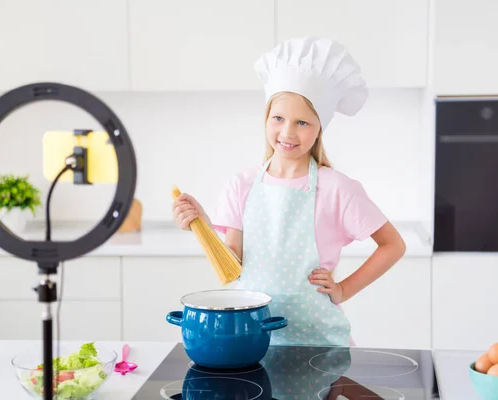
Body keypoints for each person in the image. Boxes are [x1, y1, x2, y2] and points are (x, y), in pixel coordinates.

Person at [172, 36, 406, 347]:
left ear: (319, 127)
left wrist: (344, 290)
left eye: (302, 123)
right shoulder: (241, 184)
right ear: (266, 118)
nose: (287, 133)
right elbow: (232, 266)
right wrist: (201, 223)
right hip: (253, 341)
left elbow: (393, 245)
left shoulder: (337, 188)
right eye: (278, 118)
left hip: (319, 345)